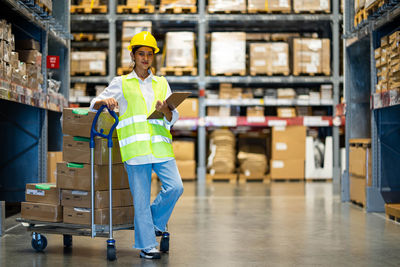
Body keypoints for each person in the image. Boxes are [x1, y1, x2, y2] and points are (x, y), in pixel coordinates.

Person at [90, 31, 184, 260]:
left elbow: (174, 117)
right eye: (141, 53)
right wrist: (105, 101)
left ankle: (152, 223)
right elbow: (93, 104)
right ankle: (147, 246)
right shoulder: (121, 83)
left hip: (161, 148)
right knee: (140, 200)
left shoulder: (162, 83)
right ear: (133, 56)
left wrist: (166, 110)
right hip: (135, 150)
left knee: (175, 187)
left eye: (149, 54)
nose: (145, 58)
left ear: (153, 57)